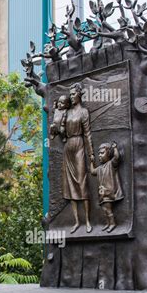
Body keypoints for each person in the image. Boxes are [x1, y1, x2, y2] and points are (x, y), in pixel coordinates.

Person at [62, 82, 94, 234]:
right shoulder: (66, 113)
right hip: (68, 146)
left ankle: (88, 220)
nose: (71, 96)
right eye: (70, 94)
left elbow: (87, 133)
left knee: (82, 182)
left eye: (74, 94)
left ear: (79, 95)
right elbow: (60, 132)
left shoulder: (84, 112)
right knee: (70, 185)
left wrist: (91, 152)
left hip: (79, 144)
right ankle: (76, 221)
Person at [90, 141, 124, 232]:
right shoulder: (100, 168)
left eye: (102, 153)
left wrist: (115, 148)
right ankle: (108, 223)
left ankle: (112, 224)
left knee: (108, 209)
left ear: (108, 153)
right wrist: (92, 162)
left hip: (109, 192)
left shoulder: (111, 164)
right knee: (104, 209)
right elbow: (92, 171)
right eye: (99, 154)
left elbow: (117, 157)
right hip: (102, 193)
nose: (100, 155)